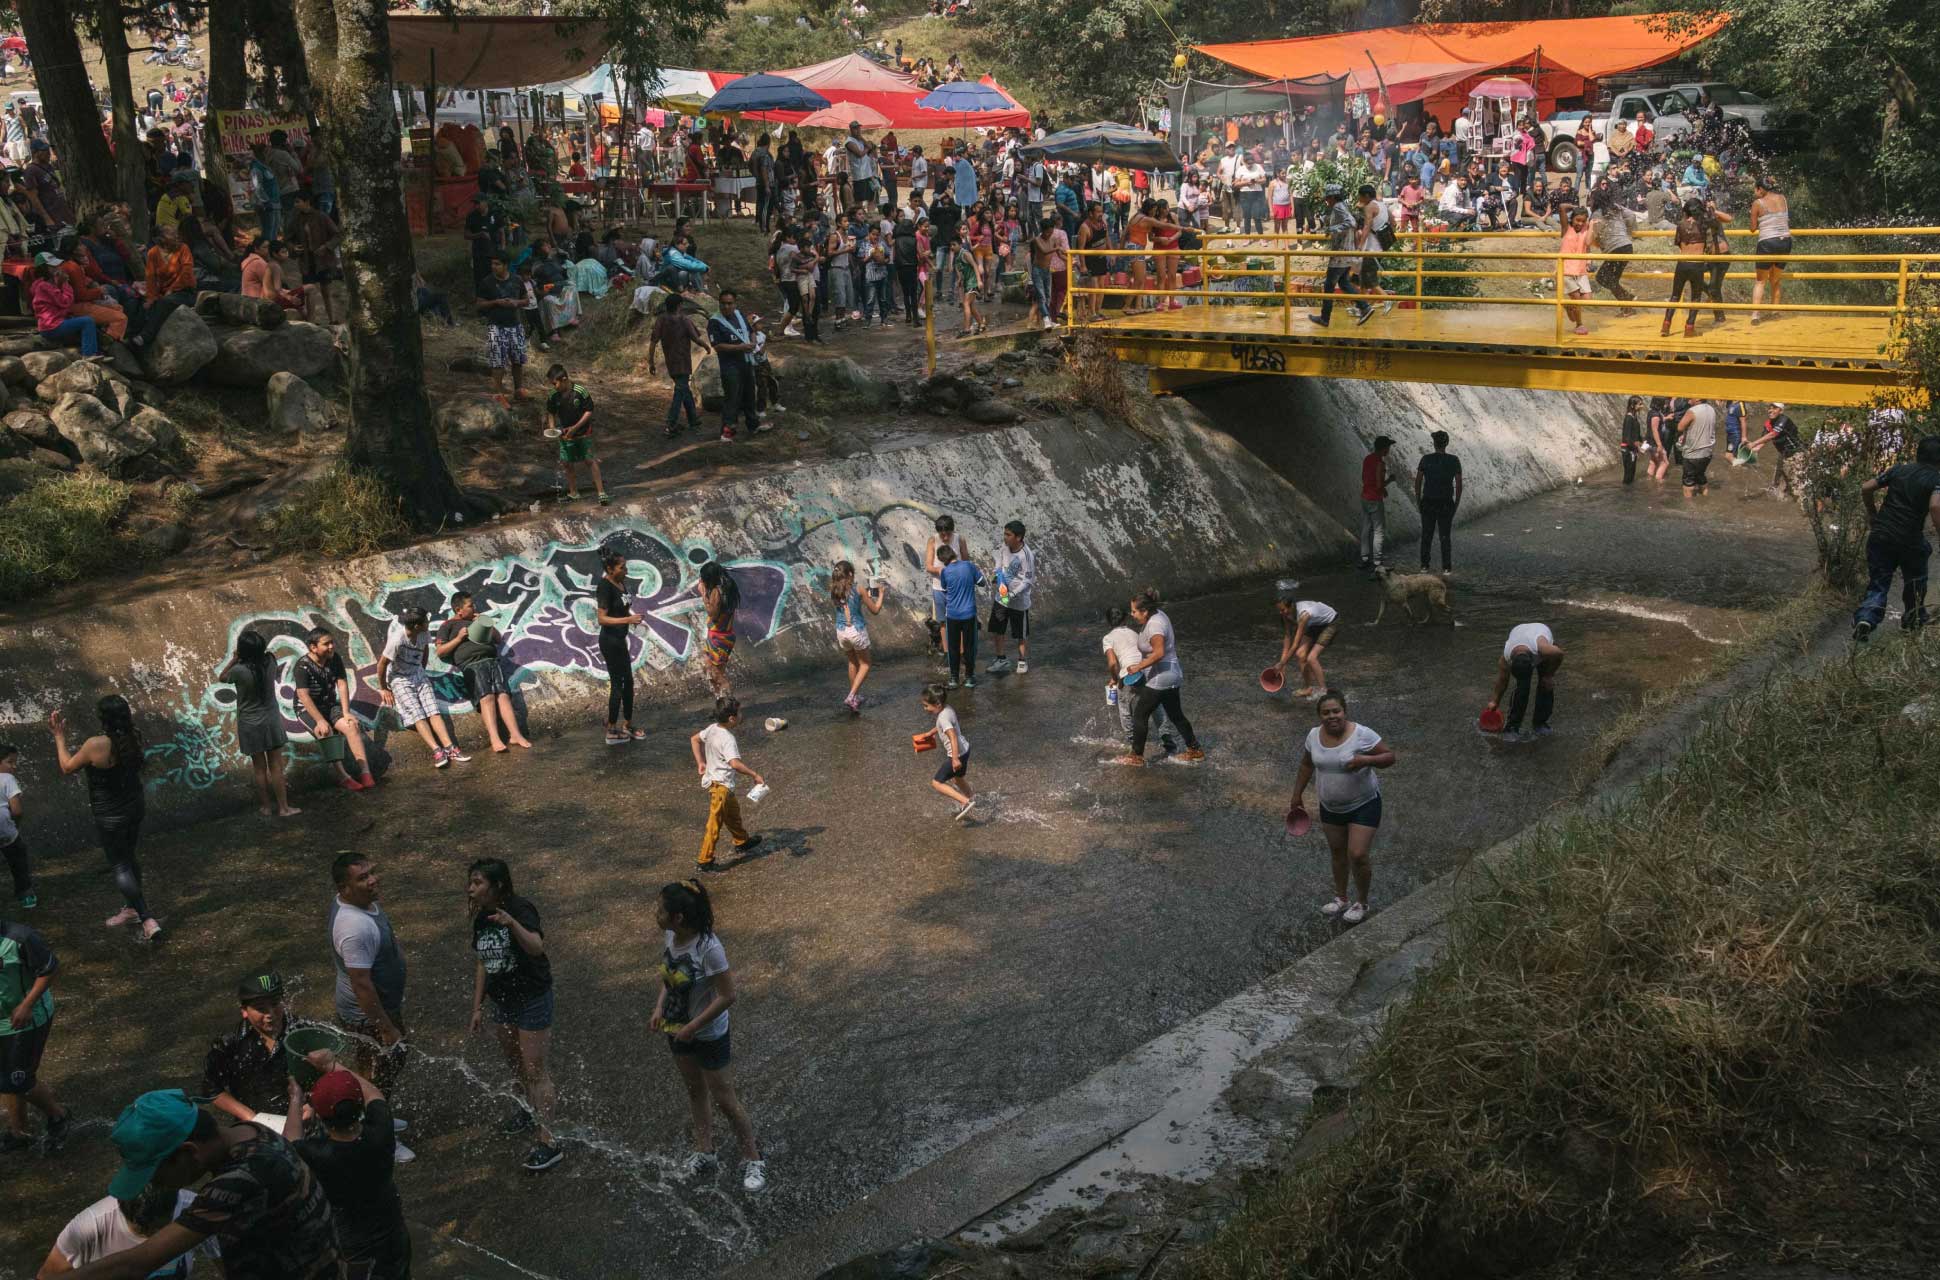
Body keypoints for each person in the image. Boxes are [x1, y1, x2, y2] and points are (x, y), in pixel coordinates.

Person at [77, 1088, 343, 1279]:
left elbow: (138, 1264)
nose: (153, 1184)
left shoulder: (238, 1181)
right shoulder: (255, 1134)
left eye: (154, 1174)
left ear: (190, 1152)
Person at [652, 878, 767, 1190]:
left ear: (679, 917)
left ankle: (753, 1158)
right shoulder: (671, 936)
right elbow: (669, 977)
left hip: (707, 1034)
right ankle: (705, 1151)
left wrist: (693, 1027)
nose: (656, 913)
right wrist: (659, 1007)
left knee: (724, 1099)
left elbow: (727, 995)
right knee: (694, 1091)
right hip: (677, 1028)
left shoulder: (709, 948)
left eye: (661, 910)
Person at [465, 858, 563, 1172]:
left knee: (536, 1071)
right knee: (515, 1064)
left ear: (498, 886)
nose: (471, 888)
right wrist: (477, 1006)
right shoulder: (481, 918)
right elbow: (482, 961)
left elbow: (536, 947)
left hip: (532, 999)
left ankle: (549, 1140)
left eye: (477, 882)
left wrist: (512, 924)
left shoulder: (521, 910)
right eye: (471, 882)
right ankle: (527, 1108)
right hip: (503, 1002)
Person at [285, 1064, 411, 1277]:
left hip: (351, 1240)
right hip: (392, 1227)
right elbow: (374, 1093)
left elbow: (291, 1139)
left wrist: (296, 1098)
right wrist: (332, 1064)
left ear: (320, 1115)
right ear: (360, 1106)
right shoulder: (380, 1131)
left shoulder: (317, 1153)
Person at [50, 697, 159, 942]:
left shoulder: (95, 744)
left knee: (120, 865)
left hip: (110, 815)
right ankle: (131, 909)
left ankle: (145, 917)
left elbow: (67, 767)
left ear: (102, 718)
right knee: (129, 857)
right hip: (134, 808)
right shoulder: (134, 737)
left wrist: (59, 736)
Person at [1290, 691, 1394, 924]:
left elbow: (1389, 757)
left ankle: (1362, 902)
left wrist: (1364, 760)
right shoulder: (1313, 736)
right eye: (1326, 713)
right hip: (1330, 806)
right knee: (1337, 854)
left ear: (1344, 711)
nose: (1331, 716)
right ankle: (1341, 898)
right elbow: (1306, 764)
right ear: (1319, 715)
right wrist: (1296, 795)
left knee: (1357, 854)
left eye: (1336, 711)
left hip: (1364, 803)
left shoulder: (1362, 734)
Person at [329, 852, 409, 1085]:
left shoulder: (362, 901)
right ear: (345, 888)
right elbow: (361, 984)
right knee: (377, 1069)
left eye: (372, 872)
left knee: (388, 1060)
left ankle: (375, 1110)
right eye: (363, 878)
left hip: (378, 1007)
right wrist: (384, 1027)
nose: (373, 880)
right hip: (367, 1016)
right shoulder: (354, 927)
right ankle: (372, 1116)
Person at [1851, 435, 1940, 641]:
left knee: (1879, 581)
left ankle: (1866, 617)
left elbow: (1866, 487)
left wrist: (1872, 514)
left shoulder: (1898, 469)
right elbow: (1936, 506)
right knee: (1916, 580)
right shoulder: (1936, 479)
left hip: (1881, 534)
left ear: (1918, 454)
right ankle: (1913, 618)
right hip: (1909, 539)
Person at [202, 970, 313, 1125]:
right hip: (255, 1125)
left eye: (275, 1004)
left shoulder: (303, 1031)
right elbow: (211, 1089)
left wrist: (314, 1104)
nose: (270, 1014)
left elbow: (325, 1074)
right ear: (244, 1011)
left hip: (304, 1118)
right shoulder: (230, 1044)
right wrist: (251, 1117)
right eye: (261, 1008)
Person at [1, 912, 70, 1153]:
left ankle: (58, 1115)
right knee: (6, 1077)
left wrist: (27, 1004)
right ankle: (19, 1131)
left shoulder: (20, 938)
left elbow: (49, 968)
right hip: (1, 1021)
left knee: (20, 1079)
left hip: (28, 1019)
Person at [1113, 589, 1205, 766]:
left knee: (1140, 713)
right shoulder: (1158, 614)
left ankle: (1136, 756)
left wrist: (1137, 667)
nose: (1131, 614)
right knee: (1175, 714)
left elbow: (1159, 652)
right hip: (1171, 674)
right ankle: (1195, 750)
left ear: (1145, 611)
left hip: (1161, 678)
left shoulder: (1155, 625)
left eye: (1134, 611)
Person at [38, 1185, 216, 1277]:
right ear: (122, 1207)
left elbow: (230, 1265)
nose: (153, 1241)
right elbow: (46, 1277)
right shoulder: (87, 1227)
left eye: (159, 1229)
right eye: (142, 1231)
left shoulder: (195, 1211)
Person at [435, 592, 532, 753]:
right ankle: (495, 739)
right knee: (486, 698)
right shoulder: (448, 625)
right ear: (458, 610)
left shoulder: (476, 620)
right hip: (472, 665)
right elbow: (440, 652)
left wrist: (486, 624)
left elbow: (498, 639)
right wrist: (458, 638)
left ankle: (516, 735)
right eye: (470, 606)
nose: (474, 607)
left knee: (503, 696)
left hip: (492, 661)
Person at [375, 606, 466, 770]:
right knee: (418, 714)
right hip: (399, 678)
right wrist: (384, 688)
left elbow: (424, 651)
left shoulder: (423, 634)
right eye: (425, 622)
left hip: (418, 674)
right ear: (417, 625)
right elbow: (382, 664)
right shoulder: (397, 640)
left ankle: (450, 748)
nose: (428, 624)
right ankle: (437, 751)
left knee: (433, 710)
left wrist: (421, 671)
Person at [222, 630, 297, 817]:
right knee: (276, 766)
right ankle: (284, 808)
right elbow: (265, 657)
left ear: (242, 651)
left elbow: (222, 678)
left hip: (249, 723)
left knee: (259, 768)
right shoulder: (270, 661)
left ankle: (265, 807)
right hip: (271, 720)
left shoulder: (239, 671)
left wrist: (234, 659)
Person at [291, 627, 374, 791]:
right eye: (326, 644)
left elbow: (342, 684)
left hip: (329, 705)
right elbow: (303, 696)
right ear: (313, 647)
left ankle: (365, 773)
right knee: (325, 732)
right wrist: (320, 720)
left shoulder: (334, 659)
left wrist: (346, 712)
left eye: (332, 642)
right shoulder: (302, 667)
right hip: (307, 709)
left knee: (351, 726)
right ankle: (343, 777)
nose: (331, 646)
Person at [690, 697, 764, 875]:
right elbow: (734, 763)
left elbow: (694, 739)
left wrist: (701, 762)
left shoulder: (712, 729)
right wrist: (754, 774)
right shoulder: (728, 738)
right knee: (714, 824)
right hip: (720, 786)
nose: (741, 715)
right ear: (732, 718)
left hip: (720, 784)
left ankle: (741, 841)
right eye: (739, 712)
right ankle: (704, 860)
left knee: (733, 813)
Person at [591, 552, 648, 745]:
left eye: (625, 566)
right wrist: (628, 620)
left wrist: (634, 622)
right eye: (621, 567)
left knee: (629, 683)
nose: (626, 570)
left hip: (620, 639)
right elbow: (602, 618)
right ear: (610, 569)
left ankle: (627, 724)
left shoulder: (621, 584)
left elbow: (621, 609)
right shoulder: (605, 587)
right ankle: (611, 729)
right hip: (609, 642)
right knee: (618, 684)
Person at [1487, 623, 1565, 741]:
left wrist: (1549, 675)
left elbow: (1559, 653)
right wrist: (1494, 701)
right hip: (1520, 632)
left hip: (1539, 633)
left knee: (1546, 684)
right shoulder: (1506, 658)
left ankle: (1540, 724)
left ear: (1533, 662)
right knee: (1522, 688)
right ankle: (1512, 726)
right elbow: (1502, 681)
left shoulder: (1544, 649)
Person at [648, 294, 709, 439]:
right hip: (683, 361)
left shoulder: (661, 320)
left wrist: (651, 361)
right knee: (679, 392)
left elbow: (653, 342)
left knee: (684, 389)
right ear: (680, 305)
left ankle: (693, 420)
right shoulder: (684, 320)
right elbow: (695, 338)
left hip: (671, 361)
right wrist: (707, 346)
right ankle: (671, 424)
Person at [542, 363, 605, 505]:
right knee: (567, 463)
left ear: (564, 379)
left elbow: (589, 411)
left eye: (555, 383)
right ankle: (573, 492)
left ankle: (601, 492)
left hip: (583, 432)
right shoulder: (553, 395)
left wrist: (575, 428)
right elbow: (550, 412)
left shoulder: (580, 391)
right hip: (565, 433)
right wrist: (552, 428)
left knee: (589, 460)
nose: (554, 386)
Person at [829, 560, 884, 712]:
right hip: (856, 630)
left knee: (853, 663)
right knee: (865, 664)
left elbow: (845, 600)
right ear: (851, 574)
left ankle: (855, 697)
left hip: (841, 631)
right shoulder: (859, 589)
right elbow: (875, 610)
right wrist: (880, 595)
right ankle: (851, 696)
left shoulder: (833, 590)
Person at [707, 289, 761, 442]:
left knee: (750, 395)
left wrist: (753, 342)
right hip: (730, 365)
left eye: (729, 303)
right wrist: (740, 348)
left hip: (746, 362)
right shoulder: (714, 322)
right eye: (723, 304)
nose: (726, 307)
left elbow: (751, 331)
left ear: (735, 304)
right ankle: (727, 430)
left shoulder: (739, 315)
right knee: (732, 398)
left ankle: (753, 425)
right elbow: (717, 346)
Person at [985, 520, 1036, 675]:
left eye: (1008, 535)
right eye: (1004, 534)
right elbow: (999, 563)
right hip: (1002, 599)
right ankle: (1001, 659)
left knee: (1020, 633)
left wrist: (1012, 594)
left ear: (1018, 537)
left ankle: (1022, 661)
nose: (1005, 537)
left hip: (1018, 602)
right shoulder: (1004, 547)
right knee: (998, 629)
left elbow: (1028, 581)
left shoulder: (1026, 556)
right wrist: (997, 574)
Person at [477, 255, 529, 402]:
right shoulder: (487, 282)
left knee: (518, 359)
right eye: (492, 263)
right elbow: (479, 304)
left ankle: (518, 390)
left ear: (506, 265)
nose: (494, 266)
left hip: (515, 325)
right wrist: (496, 302)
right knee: (497, 361)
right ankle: (499, 394)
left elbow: (526, 300)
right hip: (496, 326)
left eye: (497, 264)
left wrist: (515, 302)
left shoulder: (517, 280)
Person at [1306, 183, 1359, 327]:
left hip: (1340, 254)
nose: (1327, 200)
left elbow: (1351, 222)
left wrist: (1332, 229)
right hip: (1346, 252)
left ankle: (1324, 318)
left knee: (1329, 285)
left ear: (1333, 197)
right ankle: (1365, 306)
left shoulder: (1338, 206)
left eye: (1328, 198)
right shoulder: (1341, 206)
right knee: (1344, 283)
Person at [1413, 430, 1463, 574]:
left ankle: (1424, 566)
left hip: (1428, 501)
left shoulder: (1425, 459)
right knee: (1445, 536)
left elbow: (1418, 482)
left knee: (1426, 535)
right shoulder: (1454, 460)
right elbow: (1459, 485)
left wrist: (1418, 500)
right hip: (1446, 503)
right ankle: (1446, 568)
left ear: (1434, 443)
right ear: (1446, 443)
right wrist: (1456, 504)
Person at [29, 253, 98, 356]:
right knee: (87, 321)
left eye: (57, 265)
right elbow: (65, 302)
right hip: (52, 327)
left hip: (56, 323)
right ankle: (89, 355)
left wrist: (61, 284)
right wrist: (64, 284)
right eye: (53, 266)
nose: (57, 268)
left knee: (88, 322)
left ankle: (96, 351)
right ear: (43, 269)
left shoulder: (49, 283)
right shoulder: (43, 286)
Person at [935, 543, 983, 689]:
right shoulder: (969, 566)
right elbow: (982, 583)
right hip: (969, 614)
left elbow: (944, 587)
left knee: (953, 647)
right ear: (954, 553)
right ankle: (969, 678)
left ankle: (954, 679)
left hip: (952, 615)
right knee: (970, 646)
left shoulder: (944, 572)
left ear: (943, 560)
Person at [1275, 592, 1338, 699]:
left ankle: (1324, 691)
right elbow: (1288, 637)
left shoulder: (1304, 615)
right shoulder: (1286, 614)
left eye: (1283, 609)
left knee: (1311, 658)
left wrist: (1282, 663)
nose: (1281, 613)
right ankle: (1309, 688)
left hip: (1330, 622)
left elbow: (1295, 645)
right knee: (1300, 654)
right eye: (1279, 610)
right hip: (1315, 623)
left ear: (1291, 607)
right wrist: (1282, 664)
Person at [1662, 198, 1709, 338]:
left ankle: (1666, 325)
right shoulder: (1703, 224)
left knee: (1675, 295)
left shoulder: (1681, 224)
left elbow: (1679, 243)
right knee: (1695, 297)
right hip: (1697, 263)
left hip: (1682, 263)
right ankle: (1689, 327)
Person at [1749, 174, 1791, 325]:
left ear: (1760, 189)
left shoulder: (1758, 203)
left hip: (1768, 242)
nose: (1755, 192)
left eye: (1755, 189)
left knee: (1760, 281)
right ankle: (1775, 311)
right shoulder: (1782, 198)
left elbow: (1753, 228)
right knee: (1775, 279)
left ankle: (1755, 315)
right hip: (1785, 241)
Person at [924, 514, 969, 657]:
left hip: (957, 588)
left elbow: (966, 563)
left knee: (959, 620)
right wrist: (940, 570)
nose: (944, 538)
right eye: (941, 534)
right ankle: (947, 651)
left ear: (952, 531)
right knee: (943, 622)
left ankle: (961, 653)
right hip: (939, 587)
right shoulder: (932, 541)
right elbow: (928, 566)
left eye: (947, 534)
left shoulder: (959, 539)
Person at [697, 561, 739, 702]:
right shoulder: (727, 587)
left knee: (717, 674)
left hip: (719, 638)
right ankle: (720, 703)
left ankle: (730, 706)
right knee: (709, 669)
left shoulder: (716, 591)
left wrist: (703, 593)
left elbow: (712, 613)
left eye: (703, 578)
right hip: (719, 636)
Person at [1744, 402, 1805, 499]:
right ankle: (1782, 504)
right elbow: (1764, 439)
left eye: (1774, 408)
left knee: (1798, 483)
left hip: (1797, 454)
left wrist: (1754, 443)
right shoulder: (1768, 423)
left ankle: (1802, 505)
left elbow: (1773, 434)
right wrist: (1755, 450)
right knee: (1777, 483)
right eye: (1770, 408)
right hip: (1783, 454)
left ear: (1781, 411)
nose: (1770, 410)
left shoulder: (1784, 420)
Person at [1359, 435, 1396, 574]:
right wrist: (1389, 481)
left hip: (1365, 497)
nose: (1389, 449)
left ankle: (1364, 559)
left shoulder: (1367, 459)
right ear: (1384, 448)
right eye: (1388, 447)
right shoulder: (1380, 463)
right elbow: (1379, 485)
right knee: (1378, 531)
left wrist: (1378, 487)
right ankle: (1377, 562)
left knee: (1366, 528)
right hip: (1375, 499)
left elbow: (1364, 478)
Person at [0, 743, 29, 910]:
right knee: (18, 862)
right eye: (10, 762)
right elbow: (17, 811)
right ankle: (26, 896)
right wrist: (16, 826)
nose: (14, 767)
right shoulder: (7, 779)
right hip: (5, 830)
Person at [1559, 207, 1594, 335]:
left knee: (1587, 299)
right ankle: (1579, 324)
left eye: (1582, 221)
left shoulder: (1586, 230)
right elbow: (1562, 207)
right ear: (1572, 219)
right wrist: (1574, 207)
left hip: (1580, 270)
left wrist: (1591, 226)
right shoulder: (1566, 229)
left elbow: (1589, 242)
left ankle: (1568, 305)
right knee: (1576, 297)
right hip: (1566, 270)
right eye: (1577, 220)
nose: (1579, 223)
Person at [1676, 398, 1719, 497]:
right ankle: (1705, 499)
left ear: (1698, 398)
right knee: (1701, 477)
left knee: (1688, 482)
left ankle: (1690, 509)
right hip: (1707, 452)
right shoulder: (1711, 409)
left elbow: (1680, 427)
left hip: (1693, 453)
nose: (1687, 397)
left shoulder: (1692, 411)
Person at [1618, 395, 1644, 485]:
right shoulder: (1629, 418)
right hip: (1628, 450)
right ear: (1633, 405)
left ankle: (1629, 495)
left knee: (1632, 474)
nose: (1642, 406)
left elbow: (1635, 433)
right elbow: (1627, 438)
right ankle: (1625, 495)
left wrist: (1642, 440)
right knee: (1628, 476)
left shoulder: (1634, 417)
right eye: (1640, 404)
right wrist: (1638, 448)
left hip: (1632, 449)